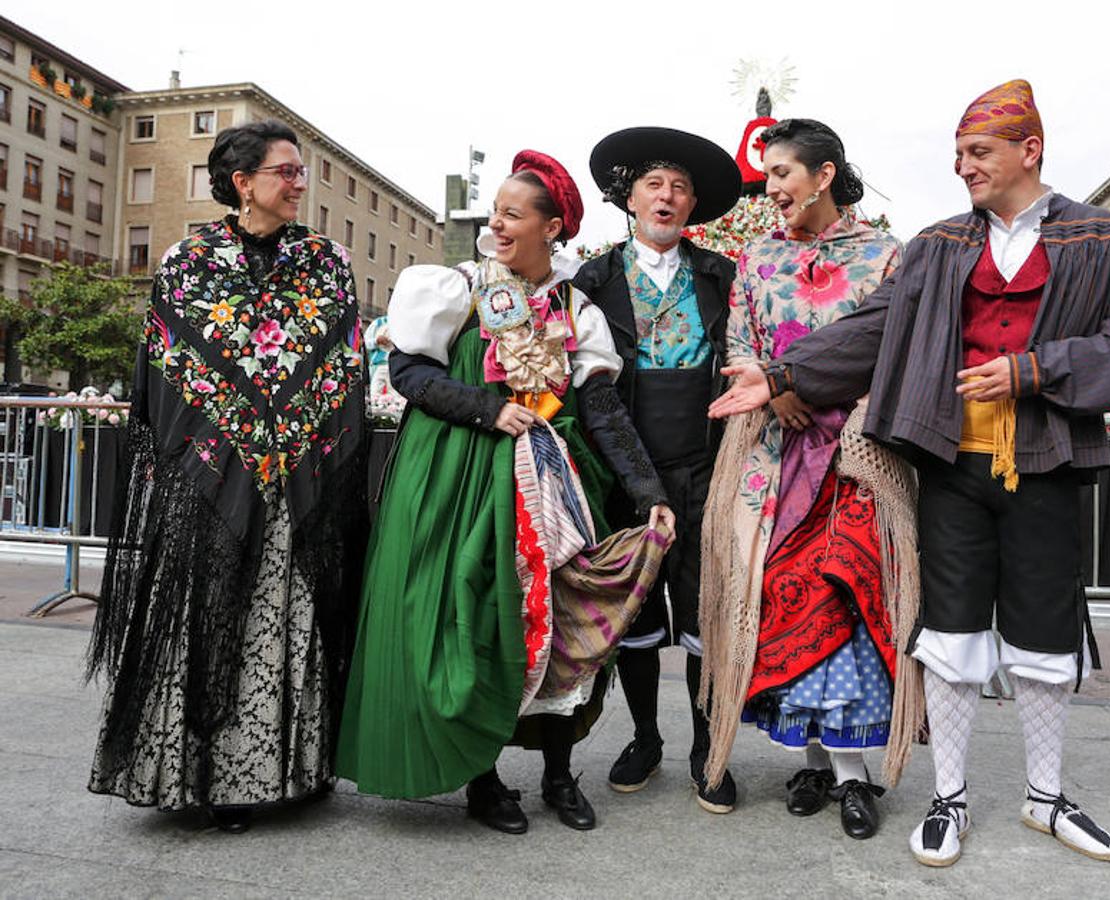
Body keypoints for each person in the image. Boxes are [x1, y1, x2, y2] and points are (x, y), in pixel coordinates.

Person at [711, 81, 1110, 866]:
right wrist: (784, 377)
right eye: (957, 155)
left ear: (1031, 149)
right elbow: (875, 327)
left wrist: (1030, 371)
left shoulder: (1104, 239)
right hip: (952, 467)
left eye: (978, 153)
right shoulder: (939, 244)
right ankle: (949, 799)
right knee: (949, 637)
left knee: (1047, 640)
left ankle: (1045, 798)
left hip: (1046, 464)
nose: (963, 169)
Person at [336, 151, 675, 835]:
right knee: (477, 621)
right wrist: (488, 410)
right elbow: (406, 373)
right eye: (495, 211)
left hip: (554, 489)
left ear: (552, 228)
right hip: (461, 483)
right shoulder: (458, 286)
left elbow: (603, 408)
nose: (495, 224)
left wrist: (647, 492)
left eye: (512, 214)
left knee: (559, 628)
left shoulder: (576, 307)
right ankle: (483, 782)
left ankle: (557, 775)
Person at [87, 119, 369, 833]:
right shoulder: (188, 262)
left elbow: (342, 367)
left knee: (288, 623)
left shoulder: (328, 263)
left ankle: (292, 775)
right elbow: (168, 370)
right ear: (243, 182)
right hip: (216, 480)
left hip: (299, 478)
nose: (300, 182)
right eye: (287, 171)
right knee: (210, 621)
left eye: (301, 171)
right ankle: (208, 776)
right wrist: (226, 447)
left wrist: (298, 439)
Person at [697, 119, 920, 840]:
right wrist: (781, 391)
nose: (772, 188)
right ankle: (820, 763)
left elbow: (894, 351)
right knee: (781, 601)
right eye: (768, 176)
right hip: (773, 453)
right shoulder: (757, 260)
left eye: (784, 173)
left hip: (854, 456)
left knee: (847, 593)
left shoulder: (885, 257)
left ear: (824, 176)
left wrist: (811, 386)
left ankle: (856, 777)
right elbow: (739, 342)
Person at [573, 127, 741, 812]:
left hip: (708, 462)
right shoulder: (594, 280)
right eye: (654, 185)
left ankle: (708, 746)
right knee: (634, 609)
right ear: (630, 197)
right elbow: (588, 388)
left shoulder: (722, 276)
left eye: (679, 187)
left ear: (693, 203)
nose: (666, 197)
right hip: (624, 465)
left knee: (706, 607)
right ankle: (645, 735)